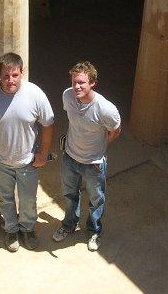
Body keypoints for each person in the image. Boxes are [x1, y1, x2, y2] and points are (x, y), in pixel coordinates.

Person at [0, 52, 54, 252]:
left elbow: (48, 124)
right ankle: (10, 229)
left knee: (28, 200)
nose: (10, 80)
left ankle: (27, 229)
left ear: (22, 72)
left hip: (28, 162)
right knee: (4, 199)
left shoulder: (35, 94)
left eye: (15, 75)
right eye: (6, 76)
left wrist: (43, 154)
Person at [52, 62, 121, 251]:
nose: (77, 87)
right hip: (70, 158)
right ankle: (69, 225)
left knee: (96, 200)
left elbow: (115, 130)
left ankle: (94, 231)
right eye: (75, 82)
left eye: (82, 83)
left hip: (94, 164)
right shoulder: (68, 96)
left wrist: (101, 146)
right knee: (70, 195)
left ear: (93, 83)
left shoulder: (105, 109)